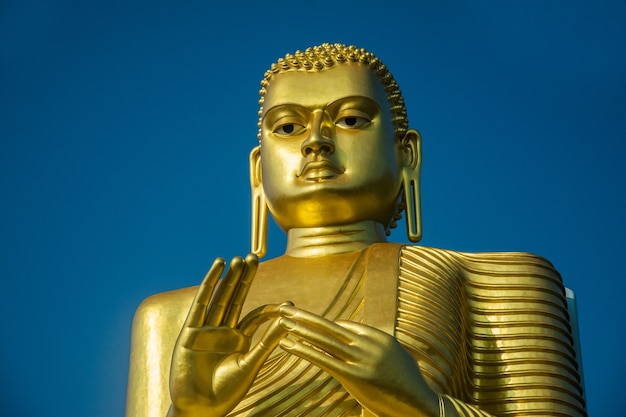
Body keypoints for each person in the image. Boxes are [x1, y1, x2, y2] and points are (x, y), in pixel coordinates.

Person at [126, 43, 587, 417]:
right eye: (287, 126)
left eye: (349, 119)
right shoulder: (177, 317)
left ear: (406, 154)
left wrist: (422, 408)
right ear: (257, 169)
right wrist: (192, 414)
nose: (315, 142)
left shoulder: (493, 281)